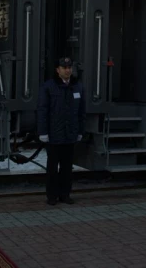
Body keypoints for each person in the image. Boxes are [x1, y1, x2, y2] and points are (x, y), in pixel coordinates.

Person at [37, 57, 86, 205]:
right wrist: (43, 132)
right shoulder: (48, 87)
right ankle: (52, 197)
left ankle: (65, 195)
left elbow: (81, 112)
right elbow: (42, 111)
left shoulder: (78, 86)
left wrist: (80, 131)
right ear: (57, 70)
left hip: (70, 134)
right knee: (52, 168)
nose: (68, 70)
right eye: (64, 67)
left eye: (69, 67)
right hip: (54, 135)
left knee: (67, 168)